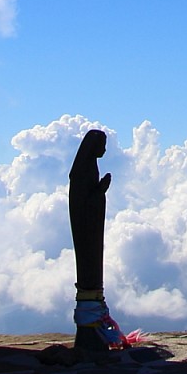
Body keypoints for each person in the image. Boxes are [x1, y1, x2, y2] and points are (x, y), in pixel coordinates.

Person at [68, 128, 130, 354]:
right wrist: (99, 190)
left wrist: (98, 190)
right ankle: (90, 329)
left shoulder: (86, 168)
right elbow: (84, 203)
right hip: (87, 229)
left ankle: (93, 326)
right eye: (102, 146)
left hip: (90, 227)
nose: (104, 150)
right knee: (89, 266)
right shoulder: (84, 171)